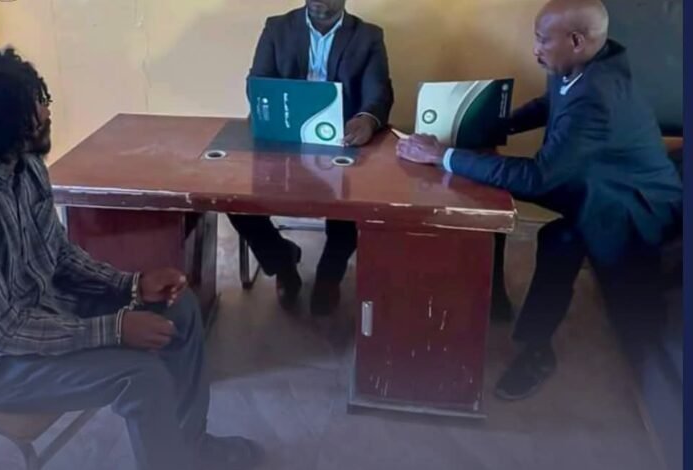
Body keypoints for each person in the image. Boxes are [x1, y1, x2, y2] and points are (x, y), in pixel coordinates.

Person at [0, 48, 262, 470]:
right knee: (141, 376)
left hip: (42, 309)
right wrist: (115, 329)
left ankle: (191, 448)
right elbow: (0, 331)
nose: (46, 111)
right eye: (33, 106)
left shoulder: (24, 167)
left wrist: (132, 285)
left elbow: (59, 255)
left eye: (41, 98)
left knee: (181, 308)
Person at [397, 0, 682, 400]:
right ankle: (512, 317)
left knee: (560, 240)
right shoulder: (586, 63)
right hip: (601, 182)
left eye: (542, 40)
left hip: (634, 208)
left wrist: (442, 156)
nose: (535, 50)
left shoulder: (599, 97)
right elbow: (551, 103)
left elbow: (537, 178)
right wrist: (492, 126)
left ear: (576, 40)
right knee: (537, 225)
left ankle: (536, 352)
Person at [229, 0, 394, 316]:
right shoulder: (277, 27)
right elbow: (258, 81)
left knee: (353, 199)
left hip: (340, 138)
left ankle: (330, 273)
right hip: (285, 132)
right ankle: (282, 261)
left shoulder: (368, 36)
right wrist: (267, 109)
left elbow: (378, 92)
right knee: (233, 198)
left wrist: (367, 119)